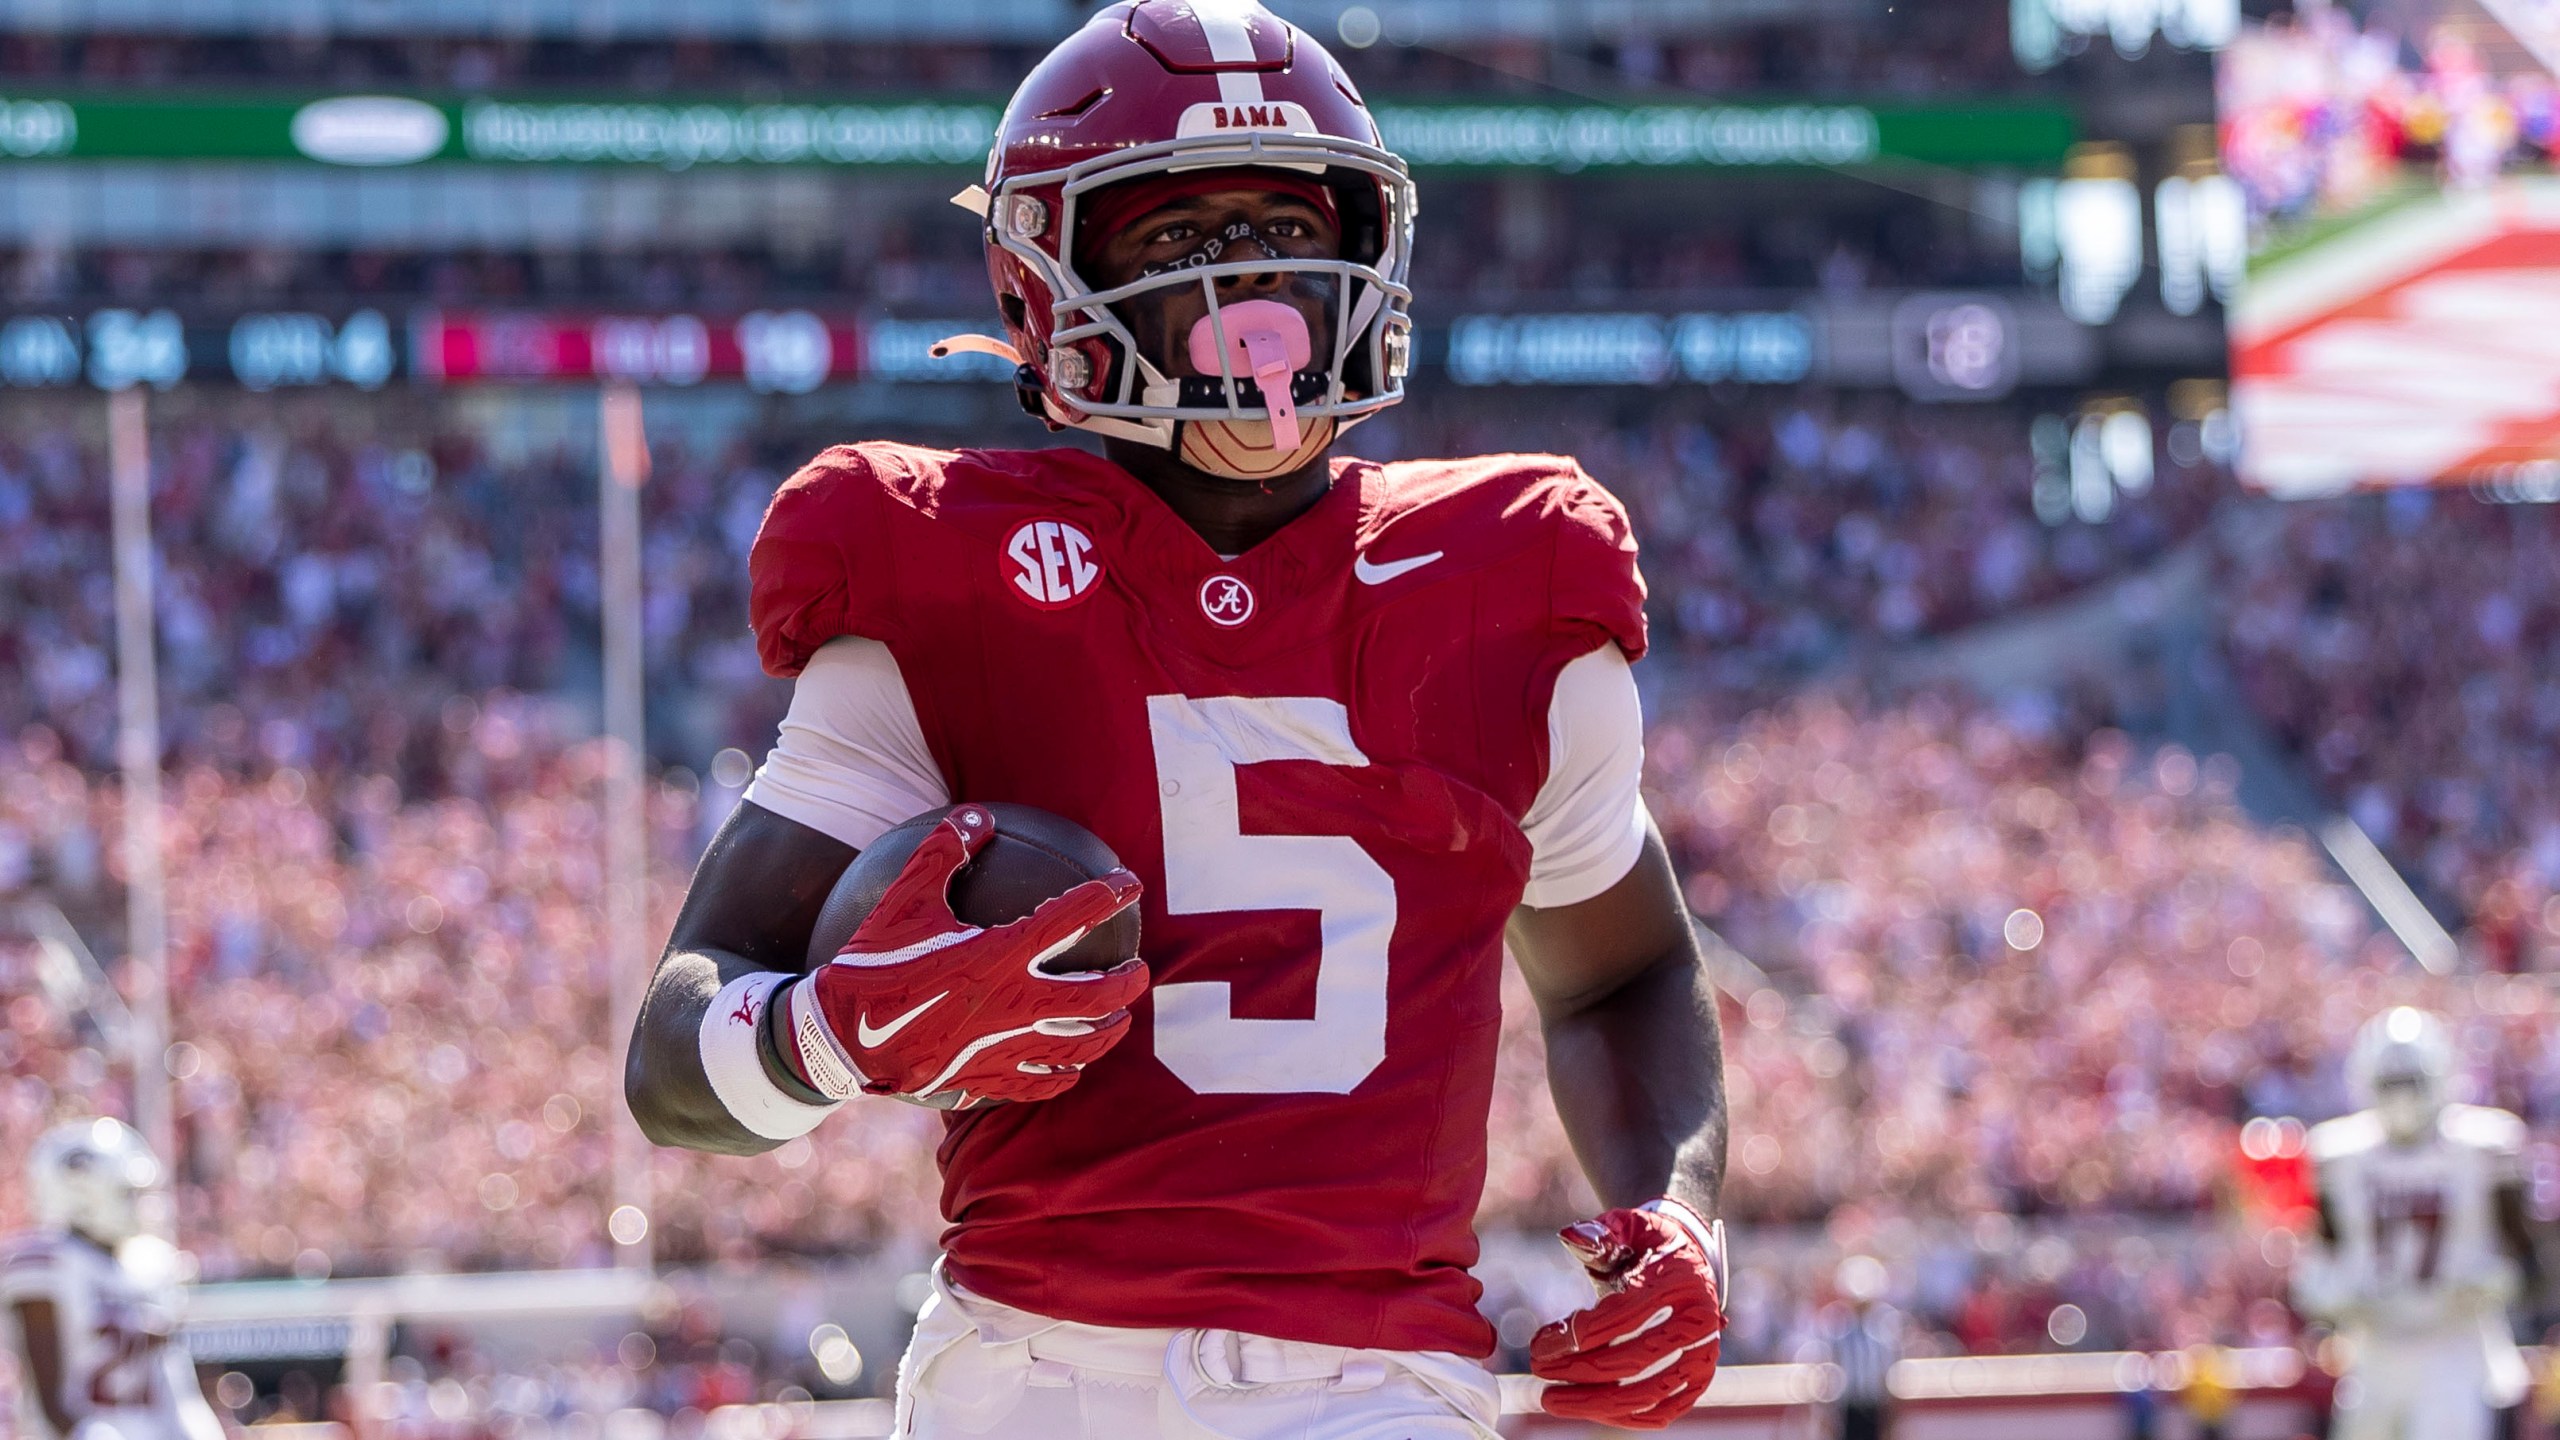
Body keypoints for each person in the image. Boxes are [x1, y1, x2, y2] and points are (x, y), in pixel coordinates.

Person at [623, 2, 1730, 1435]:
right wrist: (827, 1037)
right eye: (1180, 241)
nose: (1256, 280)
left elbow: (1620, 971)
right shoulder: (946, 572)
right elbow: (675, 1050)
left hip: (1373, 1385)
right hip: (1027, 1370)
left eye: (1287, 225)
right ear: (1045, 280)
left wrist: (1680, 1213)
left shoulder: (1506, 575)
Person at [2293, 1007, 2548, 1440]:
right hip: (2372, 1351)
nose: (2403, 1099)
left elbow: (2531, 1266)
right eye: (2392, 1085)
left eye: (2412, 1084)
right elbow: (2324, 1253)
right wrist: (2324, 1292)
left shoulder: (2485, 1148)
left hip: (2457, 1345)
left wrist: (2498, 1282)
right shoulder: (2338, 1154)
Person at [1, 1119, 222, 1440]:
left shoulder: (153, 1265)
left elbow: (174, 1388)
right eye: (128, 1193)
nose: (142, 1206)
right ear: (81, 1193)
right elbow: (51, 1401)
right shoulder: (46, 1263)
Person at [1816, 1255, 1900, 1440]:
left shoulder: (1882, 1334)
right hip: (1848, 1408)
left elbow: (1885, 1379)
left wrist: (1892, 1418)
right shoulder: (1837, 1331)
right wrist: (1827, 1413)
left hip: (1873, 1407)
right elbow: (1830, 1374)